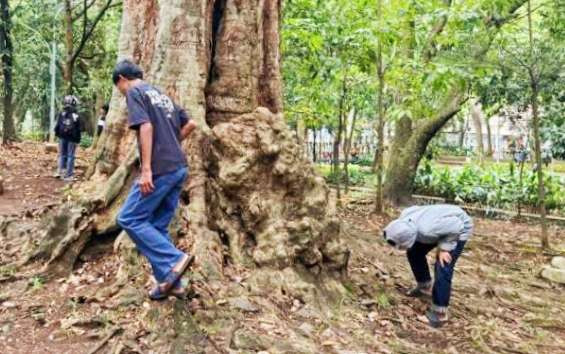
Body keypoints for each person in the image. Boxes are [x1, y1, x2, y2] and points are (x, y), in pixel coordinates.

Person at [113, 59, 197, 300]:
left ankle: (175, 259)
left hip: (159, 170)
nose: (121, 93)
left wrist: (147, 169)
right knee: (158, 226)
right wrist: (172, 142)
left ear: (122, 80)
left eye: (119, 88)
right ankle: (171, 283)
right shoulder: (160, 93)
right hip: (179, 166)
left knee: (129, 217)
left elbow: (146, 127)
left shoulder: (134, 92)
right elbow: (190, 123)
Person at [383, 204, 473, 327]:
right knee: (414, 252)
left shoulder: (428, 230)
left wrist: (445, 248)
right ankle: (424, 287)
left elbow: (456, 225)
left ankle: (439, 314)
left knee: (443, 265)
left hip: (458, 227)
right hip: (438, 227)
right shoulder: (404, 217)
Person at [54, 95, 81, 181]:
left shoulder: (62, 113)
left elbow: (57, 126)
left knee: (62, 155)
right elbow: (79, 128)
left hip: (62, 137)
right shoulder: (76, 115)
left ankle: (60, 172)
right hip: (72, 138)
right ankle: (69, 175)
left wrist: (58, 135)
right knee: (70, 156)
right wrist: (78, 139)